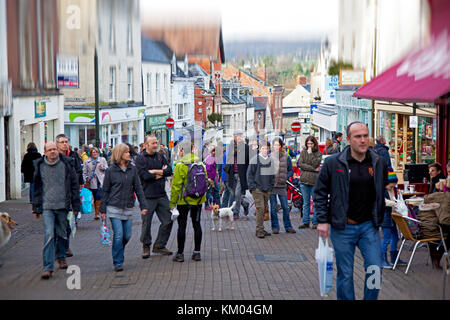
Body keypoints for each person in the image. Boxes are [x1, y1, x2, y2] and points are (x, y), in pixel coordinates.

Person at [314, 121, 388, 300]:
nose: (363, 140)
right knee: (345, 274)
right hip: (343, 227)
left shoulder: (378, 162)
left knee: (374, 269)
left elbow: (382, 187)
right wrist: (322, 220)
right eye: (358, 137)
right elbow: (320, 192)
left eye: (365, 136)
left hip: (369, 226)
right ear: (348, 139)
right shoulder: (334, 163)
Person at [32, 142, 80, 279]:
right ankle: (47, 267)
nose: (53, 152)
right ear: (45, 152)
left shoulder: (66, 164)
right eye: (50, 150)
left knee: (62, 234)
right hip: (47, 206)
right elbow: (37, 188)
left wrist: (76, 205)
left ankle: (61, 257)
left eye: (54, 149)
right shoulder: (40, 166)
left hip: (63, 206)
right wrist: (36, 207)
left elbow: (74, 185)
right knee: (49, 235)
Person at [100, 144, 149, 272]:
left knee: (127, 235)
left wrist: (143, 205)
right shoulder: (111, 170)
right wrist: (103, 209)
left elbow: (138, 188)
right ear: (119, 154)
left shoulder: (132, 169)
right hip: (113, 207)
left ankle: (118, 250)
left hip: (127, 207)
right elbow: (105, 191)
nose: (129, 154)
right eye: (126, 152)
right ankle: (118, 261)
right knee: (118, 234)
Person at [135, 136, 174, 258]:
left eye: (156, 142)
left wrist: (154, 171)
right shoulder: (140, 158)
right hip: (147, 196)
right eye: (153, 143)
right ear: (146, 144)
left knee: (168, 220)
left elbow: (169, 171)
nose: (155, 145)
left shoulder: (160, 156)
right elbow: (144, 176)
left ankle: (159, 245)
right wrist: (160, 172)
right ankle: (146, 246)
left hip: (161, 194)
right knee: (146, 223)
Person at [170, 141, 208, 262]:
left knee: (182, 226)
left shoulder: (180, 165)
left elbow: (176, 187)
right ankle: (197, 253)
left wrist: (172, 203)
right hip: (197, 201)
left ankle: (180, 254)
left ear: (181, 151)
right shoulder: (200, 163)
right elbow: (205, 181)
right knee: (197, 225)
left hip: (183, 201)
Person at [55, 134, 83, 258]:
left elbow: (78, 170)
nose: (65, 144)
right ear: (57, 144)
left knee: (68, 223)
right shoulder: (53, 157)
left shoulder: (73, 155)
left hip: (70, 193)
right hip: (56, 196)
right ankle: (61, 248)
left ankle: (65, 247)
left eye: (66, 141)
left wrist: (79, 182)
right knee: (58, 225)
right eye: (62, 142)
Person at [247, 140, 274, 239]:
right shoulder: (255, 160)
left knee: (264, 209)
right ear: (259, 149)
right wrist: (252, 187)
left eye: (267, 148)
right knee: (260, 208)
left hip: (267, 188)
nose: (265, 150)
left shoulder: (270, 160)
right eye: (263, 148)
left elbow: (272, 175)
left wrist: (271, 186)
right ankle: (259, 230)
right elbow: (249, 174)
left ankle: (261, 228)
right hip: (257, 188)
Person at [381, 172, 408, 269]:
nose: (392, 187)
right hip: (385, 217)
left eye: (393, 186)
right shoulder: (381, 190)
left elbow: (396, 198)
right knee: (386, 238)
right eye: (390, 185)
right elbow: (382, 201)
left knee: (395, 237)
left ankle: (394, 258)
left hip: (393, 217)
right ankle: (382, 259)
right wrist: (394, 203)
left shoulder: (394, 189)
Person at [269, 138, 295, 234]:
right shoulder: (269, 157)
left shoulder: (286, 157)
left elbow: (290, 170)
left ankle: (288, 227)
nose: (277, 147)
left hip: (282, 185)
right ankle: (275, 227)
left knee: (285, 206)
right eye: (275, 145)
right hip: (272, 186)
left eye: (278, 145)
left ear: (281, 146)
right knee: (273, 207)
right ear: (273, 146)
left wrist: (286, 177)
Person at [297, 136, 322, 229]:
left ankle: (315, 222)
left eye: (311, 144)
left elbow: (316, 163)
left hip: (314, 182)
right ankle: (305, 222)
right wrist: (313, 169)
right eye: (308, 144)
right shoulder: (303, 152)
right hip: (304, 181)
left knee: (315, 203)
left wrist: (311, 154)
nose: (309, 145)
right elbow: (301, 164)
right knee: (306, 204)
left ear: (314, 144)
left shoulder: (318, 153)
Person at [224, 130, 250, 219]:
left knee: (238, 193)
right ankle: (245, 203)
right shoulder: (231, 147)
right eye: (237, 136)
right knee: (233, 193)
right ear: (234, 137)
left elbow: (249, 161)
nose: (239, 137)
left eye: (240, 135)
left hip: (241, 174)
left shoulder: (246, 147)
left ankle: (236, 212)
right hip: (231, 173)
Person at [83, 147, 108, 220]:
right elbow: (84, 172)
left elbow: (107, 168)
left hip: (100, 181)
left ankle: (98, 213)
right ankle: (96, 213)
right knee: (94, 197)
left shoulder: (102, 159)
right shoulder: (87, 161)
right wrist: (86, 179)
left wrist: (102, 168)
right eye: (93, 152)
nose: (95, 153)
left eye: (96, 152)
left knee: (98, 196)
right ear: (91, 153)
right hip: (92, 181)